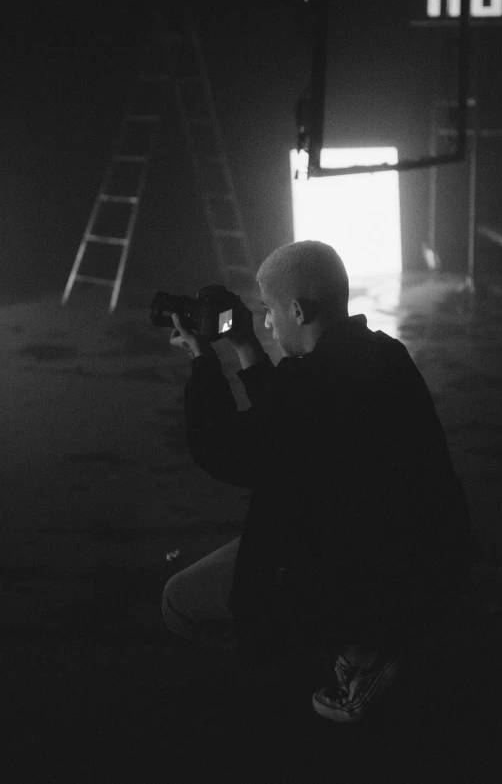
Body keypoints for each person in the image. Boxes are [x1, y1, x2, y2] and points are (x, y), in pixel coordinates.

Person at [162, 240, 472, 723]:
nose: (265, 322)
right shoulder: (383, 353)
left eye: (269, 310)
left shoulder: (311, 387)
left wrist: (202, 360)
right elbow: (287, 426)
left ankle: (359, 650)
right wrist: (245, 347)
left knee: (178, 602)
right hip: (430, 554)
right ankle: (365, 638)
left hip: (365, 574)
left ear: (298, 311)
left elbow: (223, 450)